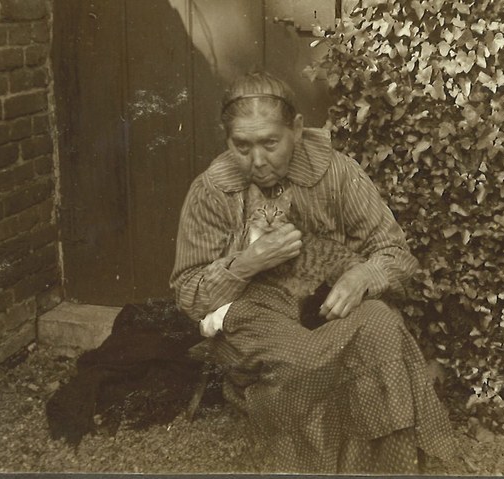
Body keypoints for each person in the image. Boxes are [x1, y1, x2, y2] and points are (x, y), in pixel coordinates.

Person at [170, 71, 455, 474]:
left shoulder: (338, 173)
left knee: (380, 325)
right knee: (307, 361)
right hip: (257, 324)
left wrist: (361, 277)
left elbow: (395, 253)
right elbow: (188, 294)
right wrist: (249, 262)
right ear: (226, 139)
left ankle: (390, 468)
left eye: (270, 142)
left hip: (324, 313)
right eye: (242, 145)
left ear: (297, 129)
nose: (257, 160)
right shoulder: (211, 191)